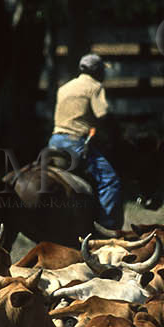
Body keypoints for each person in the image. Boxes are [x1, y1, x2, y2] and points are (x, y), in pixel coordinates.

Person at [47, 52, 124, 230]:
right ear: (97, 71)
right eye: (103, 71)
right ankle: (108, 227)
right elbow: (103, 116)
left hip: (54, 141)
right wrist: (116, 133)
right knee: (109, 180)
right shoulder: (95, 87)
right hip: (76, 142)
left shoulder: (64, 87)